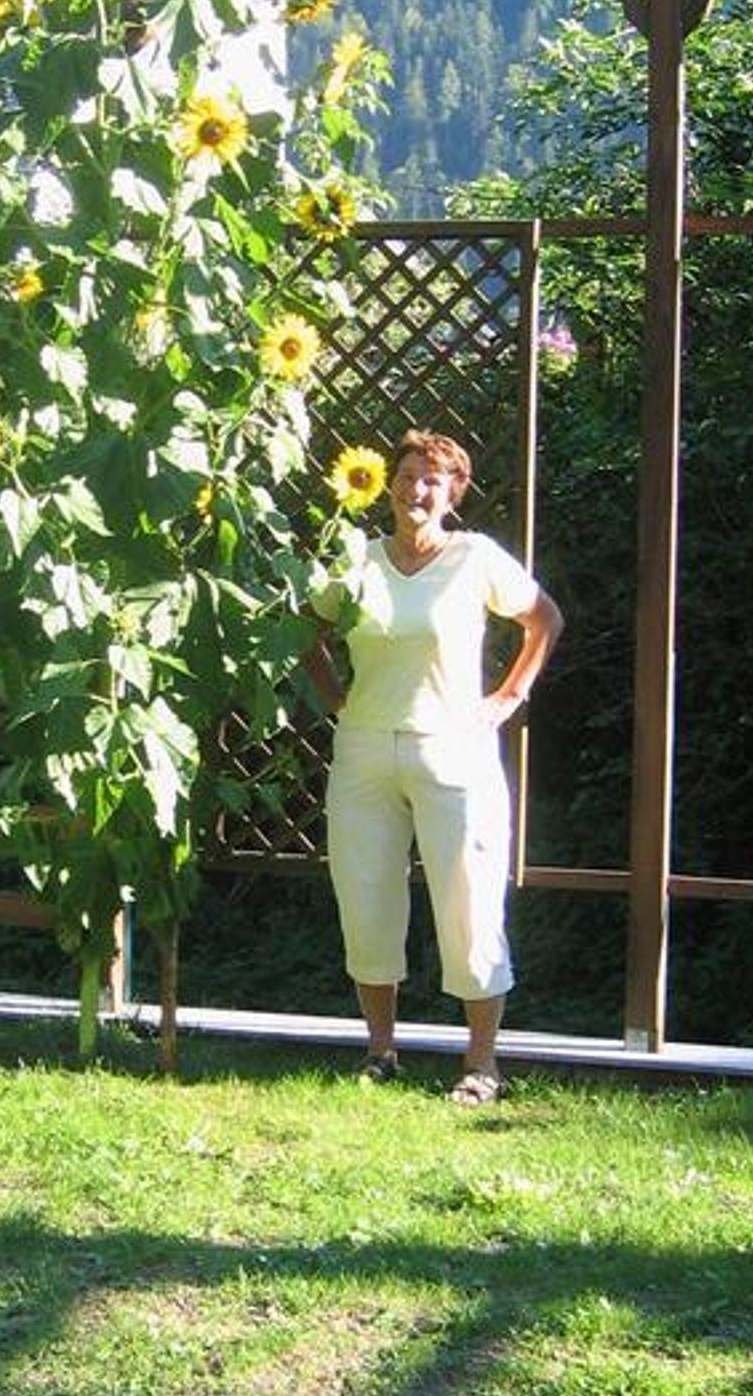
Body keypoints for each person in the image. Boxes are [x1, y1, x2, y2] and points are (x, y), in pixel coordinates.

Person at [306, 429, 562, 1105]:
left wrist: (508, 697)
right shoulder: (356, 560)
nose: (415, 490)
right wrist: (338, 700)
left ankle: (481, 1064)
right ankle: (380, 1051)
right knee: (365, 898)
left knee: (469, 901)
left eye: (432, 480)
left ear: (454, 492)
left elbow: (545, 620)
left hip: (455, 752)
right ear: (388, 484)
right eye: (407, 476)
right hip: (365, 751)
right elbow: (306, 631)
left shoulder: (475, 558)